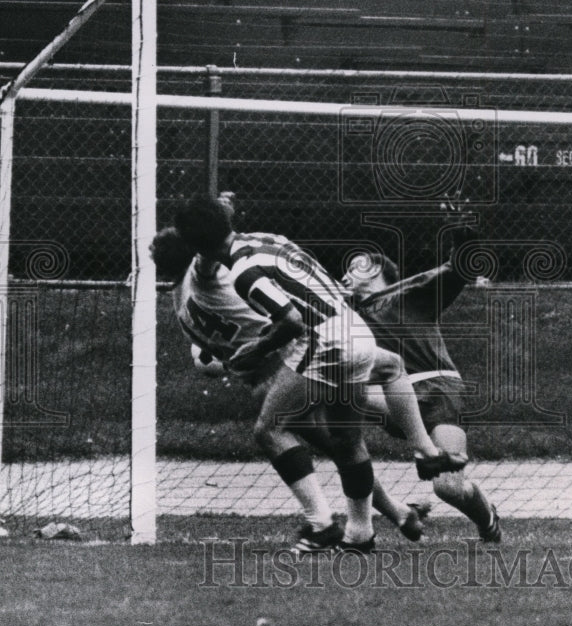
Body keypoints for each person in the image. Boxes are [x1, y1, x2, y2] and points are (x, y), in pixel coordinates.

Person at [170, 194, 464, 553]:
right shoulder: (268, 239)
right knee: (346, 441)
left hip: (325, 345)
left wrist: (256, 348)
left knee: (270, 428)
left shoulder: (243, 272)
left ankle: (321, 525)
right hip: (356, 332)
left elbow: (291, 321)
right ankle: (362, 531)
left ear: (195, 245)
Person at [342, 209, 501, 543]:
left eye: (352, 268)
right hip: (391, 397)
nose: (344, 276)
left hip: (437, 390)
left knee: (448, 488)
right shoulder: (346, 319)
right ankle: (389, 513)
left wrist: (464, 235)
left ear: (374, 270)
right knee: (335, 419)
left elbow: (462, 266)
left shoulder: (411, 294)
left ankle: (487, 519)